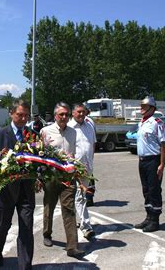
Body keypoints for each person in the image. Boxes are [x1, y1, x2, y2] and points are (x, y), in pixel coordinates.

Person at [0, 100, 35, 269]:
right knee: (2, 227)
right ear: (11, 114)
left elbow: (39, 161)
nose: (22, 118)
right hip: (4, 192)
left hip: (26, 192)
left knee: (27, 228)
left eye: (25, 115)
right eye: (19, 115)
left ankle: (25, 265)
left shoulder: (33, 135)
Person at [40, 102, 85, 259]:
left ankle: (72, 246)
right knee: (49, 207)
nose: (64, 117)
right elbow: (40, 155)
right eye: (61, 114)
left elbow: (73, 154)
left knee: (69, 209)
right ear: (55, 116)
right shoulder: (45, 131)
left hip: (67, 177)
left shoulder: (73, 132)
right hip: (51, 176)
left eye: (66, 114)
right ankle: (47, 233)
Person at [134, 96, 165, 233]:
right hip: (142, 161)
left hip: (153, 160)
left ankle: (155, 220)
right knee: (146, 190)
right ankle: (148, 216)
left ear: (151, 108)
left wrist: (162, 164)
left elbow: (164, 144)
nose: (141, 108)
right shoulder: (141, 122)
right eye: (141, 106)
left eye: (144, 106)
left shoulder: (156, 123)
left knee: (154, 190)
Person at [68, 103, 96, 240]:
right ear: (73, 113)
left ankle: (82, 223)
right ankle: (85, 226)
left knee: (81, 196)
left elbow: (92, 145)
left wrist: (91, 163)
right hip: (72, 168)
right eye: (78, 112)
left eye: (83, 112)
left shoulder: (90, 125)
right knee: (77, 196)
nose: (81, 114)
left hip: (87, 167)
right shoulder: (68, 127)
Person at [83, 107, 96, 206]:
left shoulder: (88, 121)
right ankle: (88, 197)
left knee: (88, 176)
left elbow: (93, 139)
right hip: (87, 152)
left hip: (87, 153)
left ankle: (89, 198)